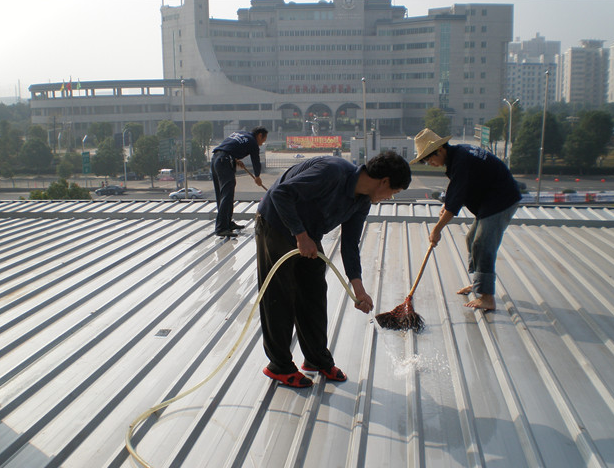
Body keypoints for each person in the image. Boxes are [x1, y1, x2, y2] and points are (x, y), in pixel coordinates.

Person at [256, 151, 412, 387]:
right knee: (280, 296)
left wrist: (359, 289)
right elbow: (280, 194)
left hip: (307, 233)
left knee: (314, 293)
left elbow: (350, 245)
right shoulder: (332, 172)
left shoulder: (361, 201)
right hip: (276, 223)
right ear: (384, 181)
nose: (390, 197)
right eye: (394, 192)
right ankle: (279, 366)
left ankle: (316, 359)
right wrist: (300, 235)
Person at [410, 128, 521, 311]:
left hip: (502, 200)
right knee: (472, 239)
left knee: (483, 243)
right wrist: (448, 202)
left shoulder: (461, 160)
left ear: (440, 150)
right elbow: (458, 188)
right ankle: (479, 285)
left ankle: (487, 297)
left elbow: (455, 204)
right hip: (489, 200)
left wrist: (437, 230)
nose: (430, 163)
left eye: (429, 159)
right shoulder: (458, 156)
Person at [211, 126, 268, 237]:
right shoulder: (252, 142)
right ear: (260, 135)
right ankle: (221, 228)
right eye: (263, 140)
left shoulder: (240, 133)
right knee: (227, 195)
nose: (261, 144)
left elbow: (227, 147)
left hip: (216, 159)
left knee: (222, 195)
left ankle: (227, 223)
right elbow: (256, 161)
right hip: (224, 161)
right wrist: (257, 176)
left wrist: (235, 159)